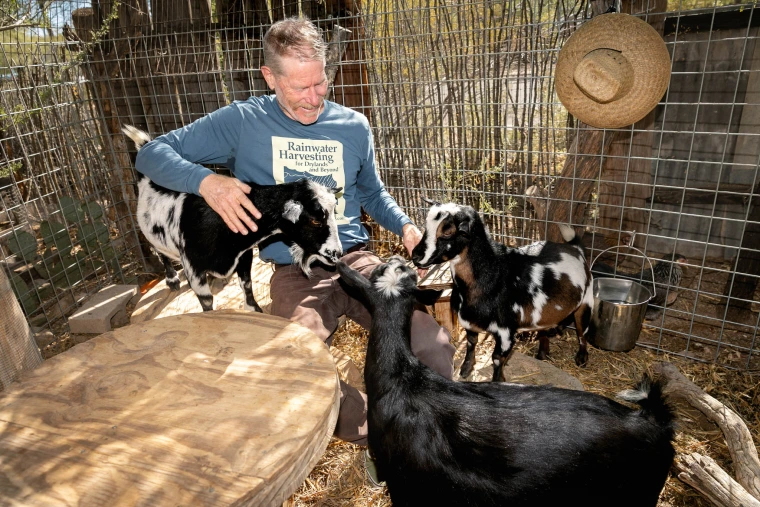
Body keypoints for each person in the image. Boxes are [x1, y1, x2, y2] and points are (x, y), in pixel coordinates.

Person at [135, 16, 455, 448]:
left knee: (432, 344)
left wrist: (405, 226)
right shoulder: (243, 121)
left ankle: (430, 429)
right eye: (299, 88)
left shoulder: (353, 126)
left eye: (320, 84)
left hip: (356, 257)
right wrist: (207, 183)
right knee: (296, 368)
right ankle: (386, 437)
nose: (313, 98)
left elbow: (371, 192)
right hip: (293, 270)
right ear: (269, 76)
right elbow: (152, 154)